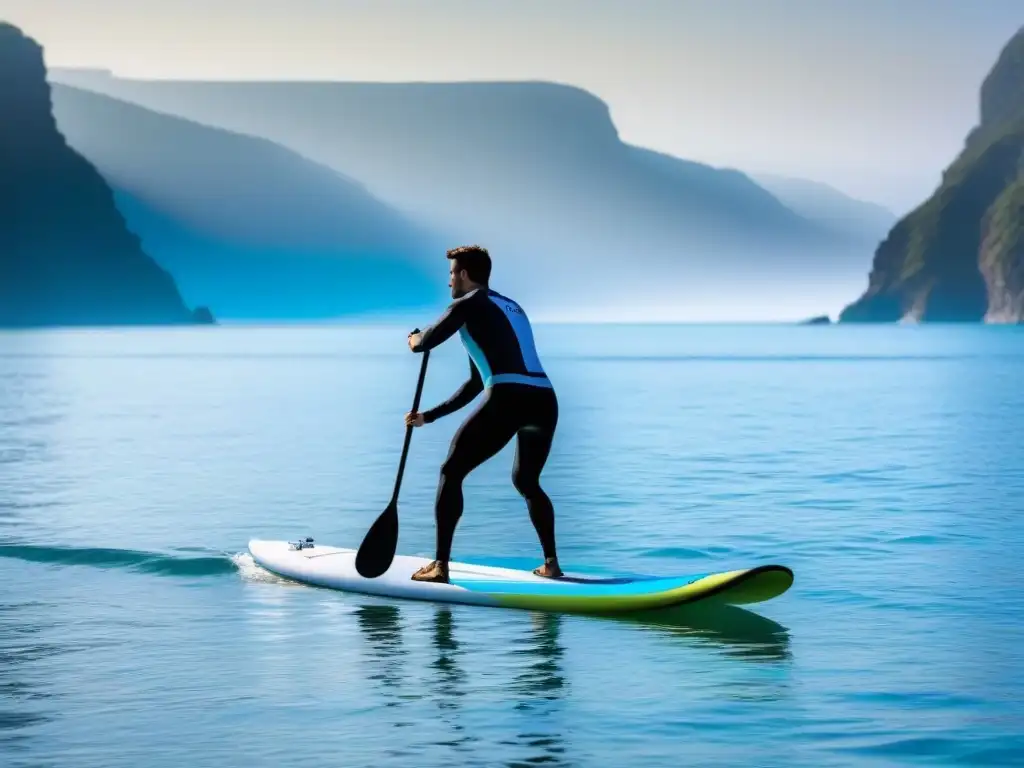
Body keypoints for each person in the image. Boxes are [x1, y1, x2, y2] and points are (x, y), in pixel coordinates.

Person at [404, 245, 562, 584]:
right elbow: (478, 382)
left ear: (463, 274)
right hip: (544, 399)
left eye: (451, 274)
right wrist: (428, 417)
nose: (448, 283)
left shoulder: (467, 304)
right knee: (527, 481)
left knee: (451, 471)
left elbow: (425, 342)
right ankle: (551, 564)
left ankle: (440, 566)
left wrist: (414, 339)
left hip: (510, 397)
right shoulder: (511, 306)